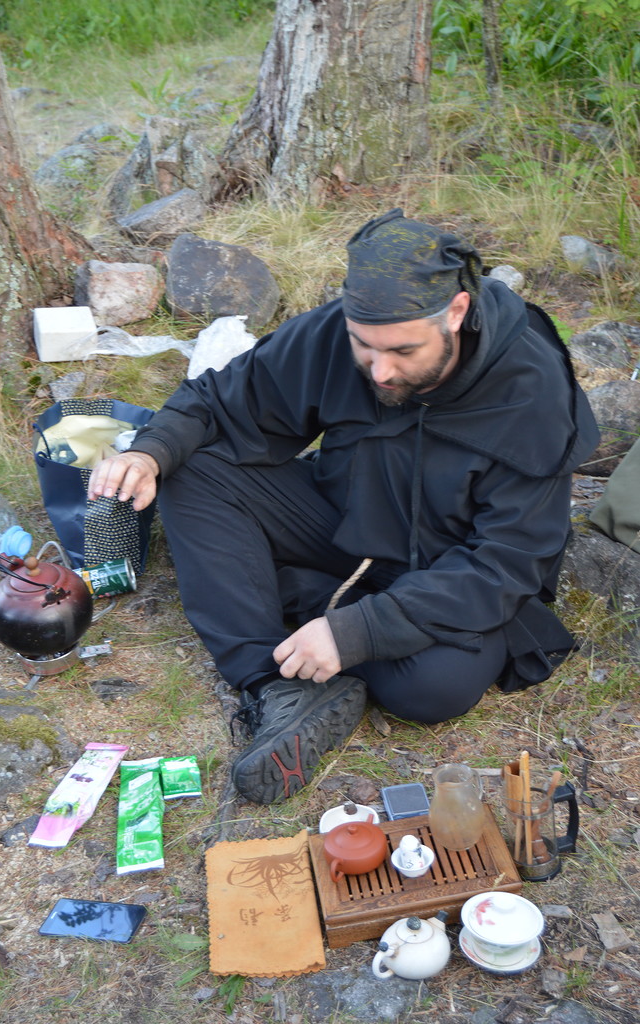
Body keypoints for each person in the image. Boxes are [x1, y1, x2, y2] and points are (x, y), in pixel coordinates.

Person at [88, 209, 599, 805]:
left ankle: (299, 597)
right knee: (193, 466)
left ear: (456, 312)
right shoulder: (341, 332)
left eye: (403, 351)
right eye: (365, 347)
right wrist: (149, 452)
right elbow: (222, 400)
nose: (381, 371)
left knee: (432, 688)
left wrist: (359, 631)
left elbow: (508, 563)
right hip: (342, 523)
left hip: (447, 574)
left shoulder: (531, 391)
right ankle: (273, 686)